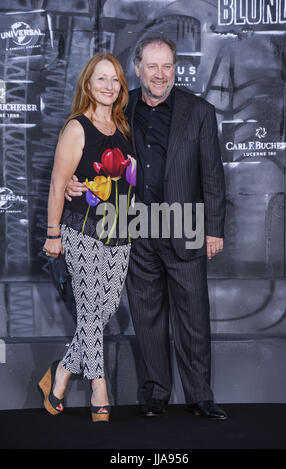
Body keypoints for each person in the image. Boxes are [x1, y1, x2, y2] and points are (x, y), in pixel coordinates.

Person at [65, 37, 227, 420]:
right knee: (147, 316)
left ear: (175, 69)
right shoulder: (122, 107)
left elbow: (213, 175)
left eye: (167, 66)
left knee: (193, 317)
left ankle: (200, 396)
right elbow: (92, 148)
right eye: (152, 66)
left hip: (185, 225)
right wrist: (76, 181)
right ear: (137, 69)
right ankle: (155, 393)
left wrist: (214, 229)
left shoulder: (199, 111)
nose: (159, 74)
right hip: (135, 226)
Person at [38, 52, 135, 422]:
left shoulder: (125, 128)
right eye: (101, 79)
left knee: (102, 311)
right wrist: (52, 234)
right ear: (88, 85)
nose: (109, 86)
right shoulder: (77, 127)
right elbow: (58, 185)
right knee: (91, 311)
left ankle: (60, 373)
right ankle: (99, 388)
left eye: (114, 80)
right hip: (81, 231)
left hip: (120, 232)